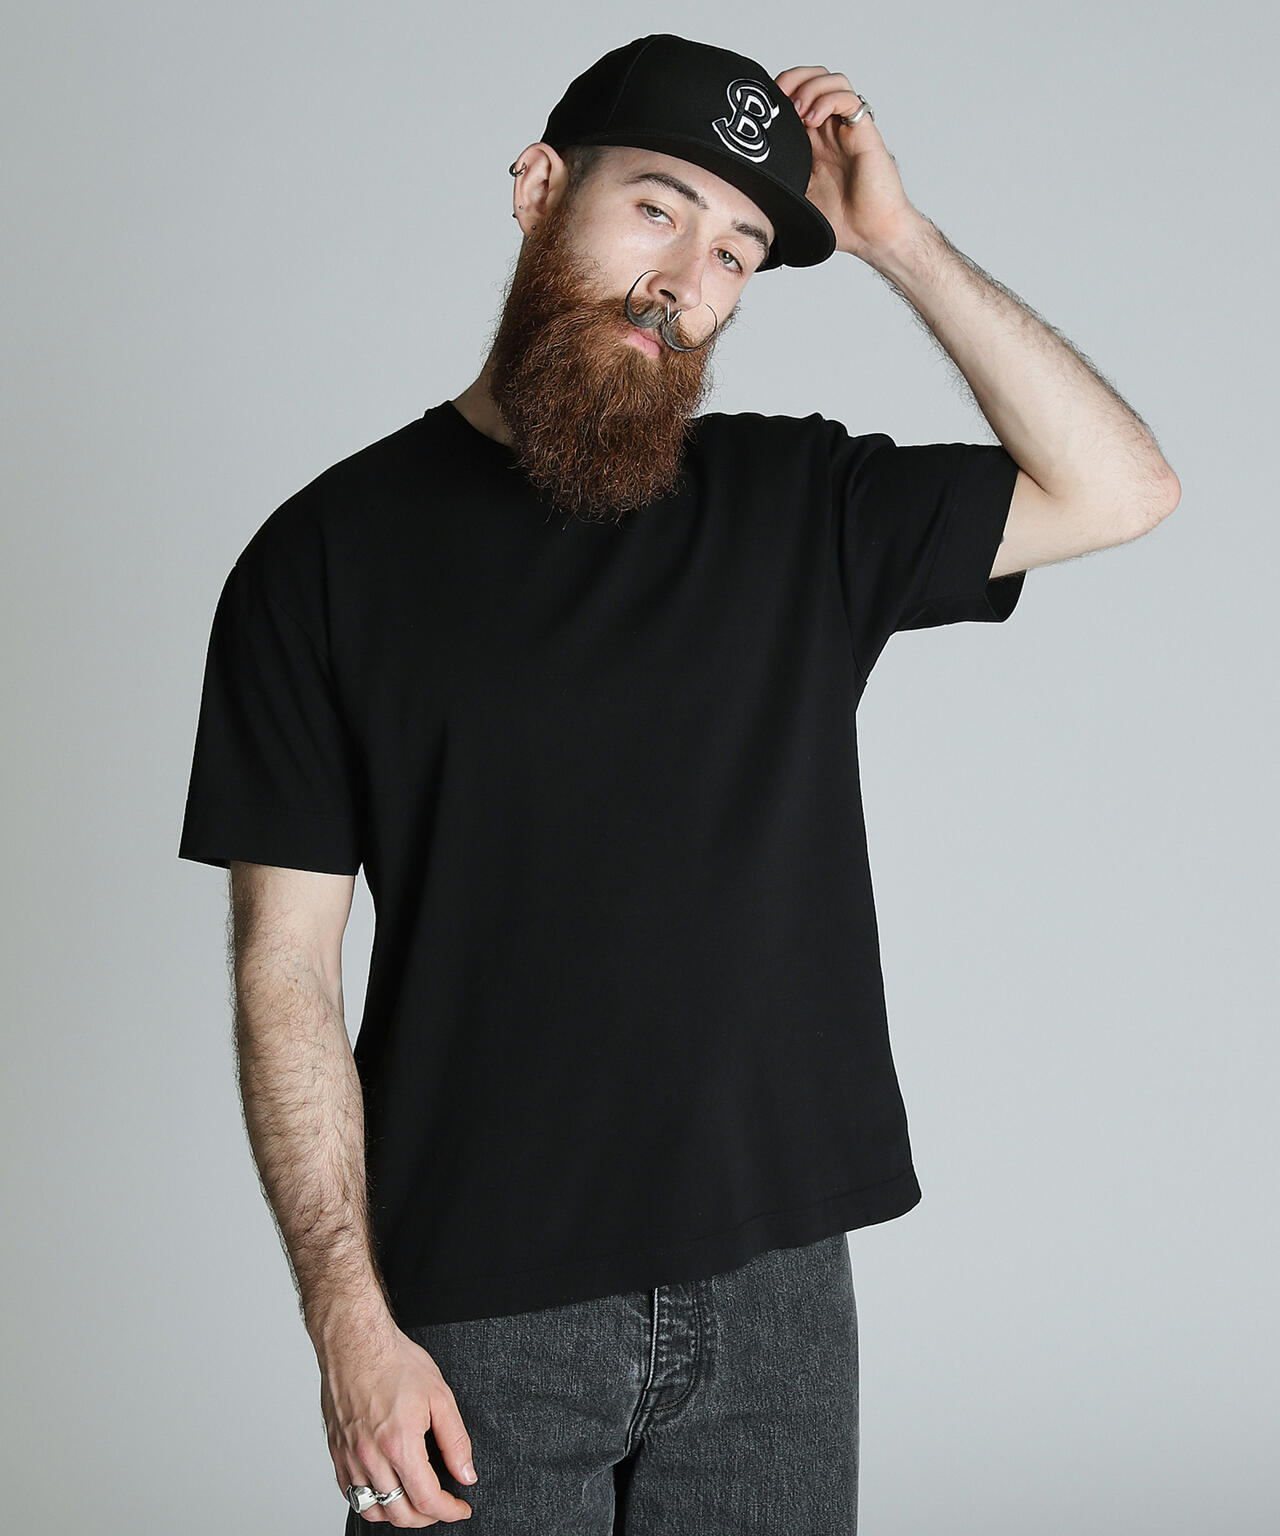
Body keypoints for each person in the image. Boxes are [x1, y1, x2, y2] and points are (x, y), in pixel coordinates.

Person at [177, 32, 1179, 1534]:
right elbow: (285, 969)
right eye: (655, 208)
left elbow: (1122, 486)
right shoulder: (321, 559)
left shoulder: (797, 504)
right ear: (539, 189)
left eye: (734, 252)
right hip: (478, 1310)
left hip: (777, 1300)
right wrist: (348, 1320)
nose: (684, 281)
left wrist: (897, 241)